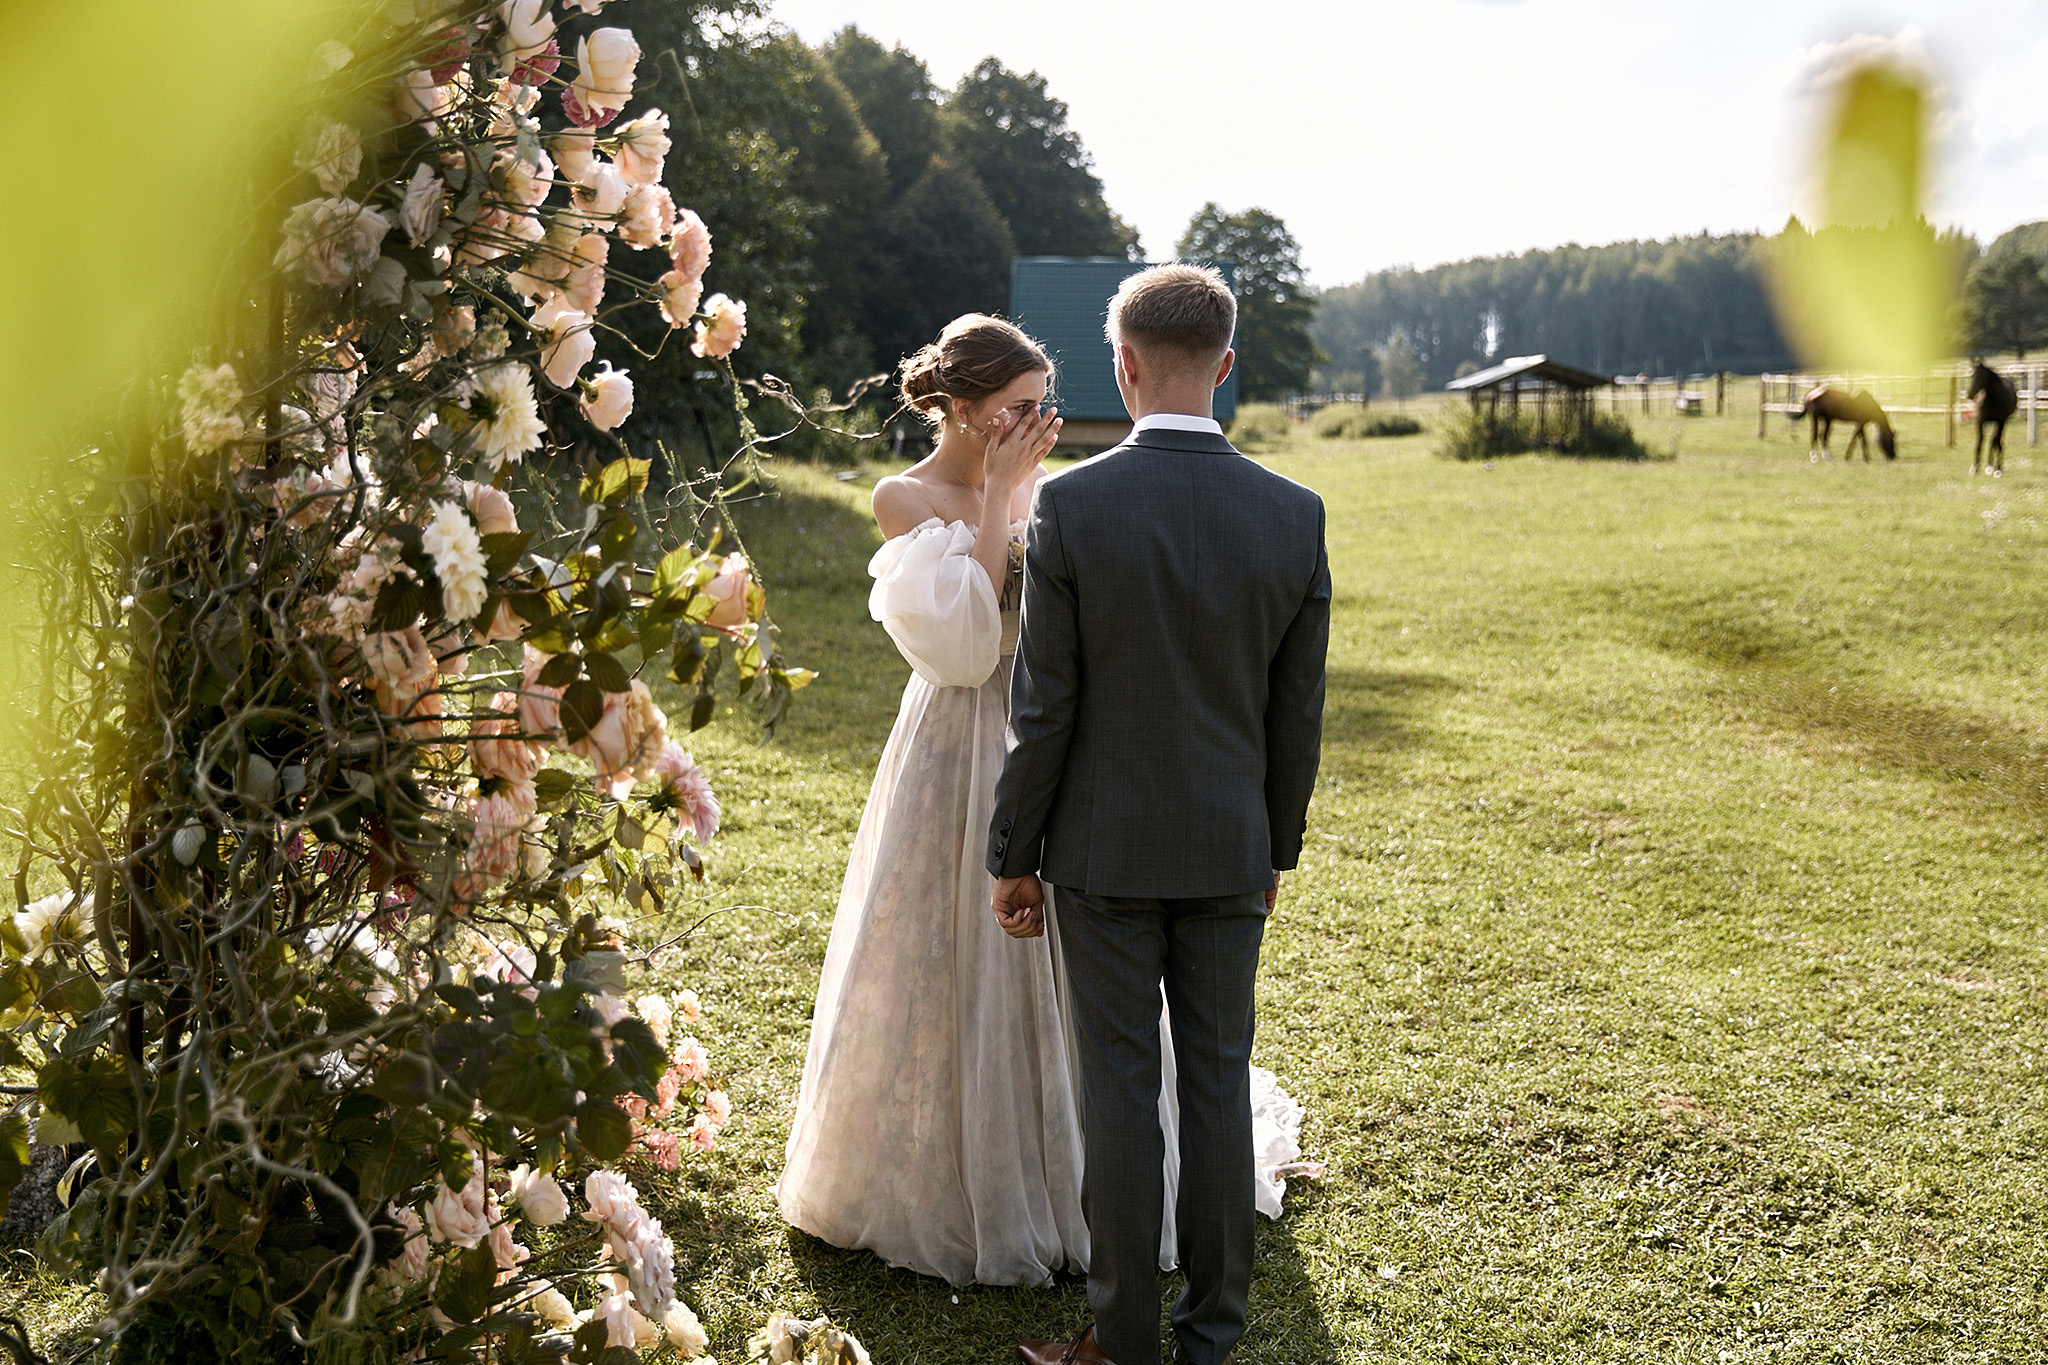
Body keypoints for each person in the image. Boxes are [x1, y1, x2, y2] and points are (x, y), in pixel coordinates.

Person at [777, 311, 1315, 1291]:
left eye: (1043, 408)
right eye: (1018, 410)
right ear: (964, 409)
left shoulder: (1062, 494)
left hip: (1055, 752)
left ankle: (1093, 1178)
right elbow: (963, 648)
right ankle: (954, 1175)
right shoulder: (905, 498)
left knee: (1083, 976)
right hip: (958, 749)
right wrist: (1004, 500)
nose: (1038, 426)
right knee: (952, 963)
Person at [989, 265, 1330, 1365]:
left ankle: (1122, 1339)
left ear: (1122, 367)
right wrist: (1272, 846)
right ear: (1225, 367)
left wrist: (1013, 851)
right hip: (1230, 846)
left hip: (1100, 853)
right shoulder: (1294, 513)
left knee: (1121, 1095)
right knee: (1217, 1083)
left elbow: (1044, 709)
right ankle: (1211, 1336)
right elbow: (1296, 712)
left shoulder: (1072, 505)